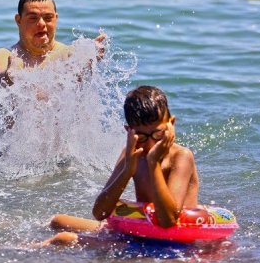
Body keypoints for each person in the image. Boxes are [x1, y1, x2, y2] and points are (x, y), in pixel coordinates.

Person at [41, 85, 199, 246]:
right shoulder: (131, 154)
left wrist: (153, 164)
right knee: (57, 221)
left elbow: (168, 221)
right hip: (142, 231)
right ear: (129, 131)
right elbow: (100, 213)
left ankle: (25, 251)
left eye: (158, 134)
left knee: (63, 239)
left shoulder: (181, 157)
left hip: (171, 241)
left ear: (171, 124)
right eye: (141, 137)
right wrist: (127, 170)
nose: (151, 144)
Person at [0, 0, 104, 85]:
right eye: (33, 18)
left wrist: (88, 60)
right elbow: (0, 77)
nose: (41, 24)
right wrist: (10, 74)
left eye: (48, 18)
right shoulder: (5, 55)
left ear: (56, 19)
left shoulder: (69, 54)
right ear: (18, 20)